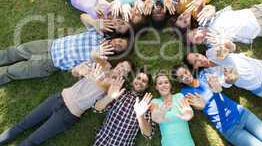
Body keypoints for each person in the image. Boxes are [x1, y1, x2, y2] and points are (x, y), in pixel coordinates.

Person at [0, 60, 132, 146]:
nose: (120, 69)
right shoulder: (102, 67)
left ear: (124, 77)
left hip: (67, 115)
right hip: (57, 99)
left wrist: (109, 95)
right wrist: (80, 70)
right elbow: (75, 71)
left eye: (124, 71)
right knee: (22, 124)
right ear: (117, 64)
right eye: (121, 66)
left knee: (32, 141)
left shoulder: (114, 88)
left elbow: (100, 103)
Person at [173, 65, 262, 146]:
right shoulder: (185, 93)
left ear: (189, 70)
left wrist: (219, 86)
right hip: (229, 129)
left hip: (242, 114)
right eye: (181, 77)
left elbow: (220, 85)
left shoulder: (205, 75)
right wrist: (201, 106)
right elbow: (197, 106)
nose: (186, 76)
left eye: (185, 72)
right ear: (180, 81)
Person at [0, 26, 128, 86]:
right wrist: (94, 21)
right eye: (120, 40)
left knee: (13, 71)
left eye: (120, 47)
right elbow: (84, 17)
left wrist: (91, 59)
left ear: (117, 52)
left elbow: (75, 72)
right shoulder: (99, 33)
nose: (117, 43)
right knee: (13, 52)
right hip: (50, 45)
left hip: (50, 63)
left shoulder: (100, 61)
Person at [186, 50, 262, 106]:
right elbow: (225, 84)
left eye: (197, 55)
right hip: (260, 86)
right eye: (195, 61)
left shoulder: (211, 52)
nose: (199, 58)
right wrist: (229, 79)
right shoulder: (209, 75)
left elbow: (228, 47)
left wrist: (227, 46)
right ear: (195, 67)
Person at [186, 0, 262, 45]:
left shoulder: (205, 21)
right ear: (199, 44)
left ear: (196, 29)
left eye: (195, 34)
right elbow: (226, 50)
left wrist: (211, 8)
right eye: (196, 40)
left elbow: (208, 6)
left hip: (257, 11)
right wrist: (222, 43)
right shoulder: (213, 44)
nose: (198, 36)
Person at [93, 68, 155, 146]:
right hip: (101, 141)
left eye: (144, 81)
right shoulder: (120, 93)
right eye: (138, 78)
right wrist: (109, 97)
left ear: (147, 86)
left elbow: (148, 134)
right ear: (133, 79)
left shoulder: (144, 104)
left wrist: (140, 116)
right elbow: (97, 108)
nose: (140, 82)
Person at [151, 73, 195, 146]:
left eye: (166, 82)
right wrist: (158, 116)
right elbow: (155, 116)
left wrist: (190, 115)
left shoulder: (179, 96)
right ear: (156, 87)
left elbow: (188, 112)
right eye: (160, 83)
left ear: (170, 85)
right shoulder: (155, 101)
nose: (164, 85)